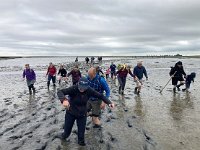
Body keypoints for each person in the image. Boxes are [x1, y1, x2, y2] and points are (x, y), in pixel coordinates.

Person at [57, 77, 114, 146]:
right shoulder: (74, 88)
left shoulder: (89, 90)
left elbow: (100, 96)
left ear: (87, 86)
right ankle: (63, 139)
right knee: (66, 133)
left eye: (84, 88)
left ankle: (81, 145)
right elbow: (60, 92)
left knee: (81, 136)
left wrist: (109, 102)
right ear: (78, 84)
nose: (82, 89)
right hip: (71, 113)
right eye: (80, 87)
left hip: (82, 114)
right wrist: (64, 100)